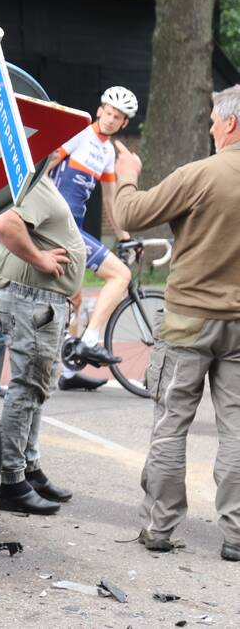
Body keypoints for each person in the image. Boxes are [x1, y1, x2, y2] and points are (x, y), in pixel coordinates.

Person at [113, 85, 240, 563]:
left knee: (171, 426)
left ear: (230, 123)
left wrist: (126, 176)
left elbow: (129, 214)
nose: (209, 125)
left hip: (188, 320)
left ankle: (159, 527)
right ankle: (237, 534)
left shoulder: (202, 174)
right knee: (238, 432)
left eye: (212, 118)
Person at [0, 173, 86, 515]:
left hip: (39, 298)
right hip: (32, 299)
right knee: (27, 387)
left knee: (37, 387)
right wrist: (40, 259)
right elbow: (4, 223)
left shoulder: (33, 177)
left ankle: (29, 469)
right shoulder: (29, 179)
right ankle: (13, 483)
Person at [44, 86, 138, 391]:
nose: (110, 119)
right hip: (61, 225)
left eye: (118, 117)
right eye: (108, 112)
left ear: (124, 124)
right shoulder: (80, 134)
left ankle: (69, 373)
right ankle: (90, 340)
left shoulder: (108, 152)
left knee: (75, 298)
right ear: (99, 110)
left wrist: (124, 236)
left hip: (76, 227)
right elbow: (47, 165)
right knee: (120, 275)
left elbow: (111, 202)